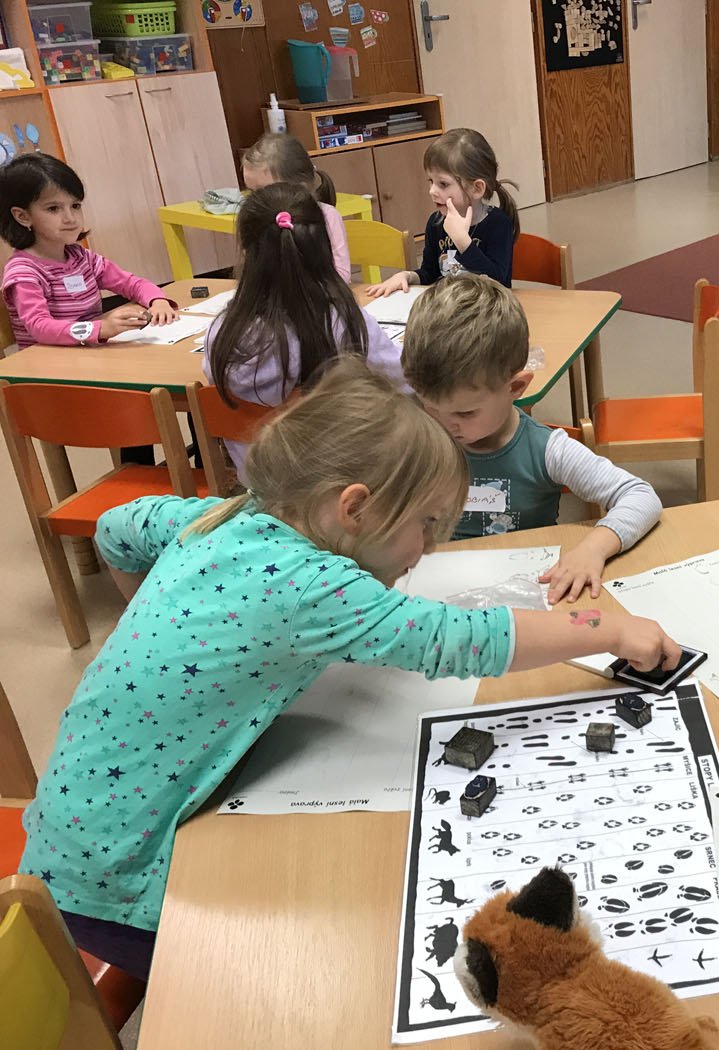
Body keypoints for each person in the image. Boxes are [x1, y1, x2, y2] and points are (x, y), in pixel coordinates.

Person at [17, 361, 679, 982]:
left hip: (66, 831)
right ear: (354, 508)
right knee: (280, 984)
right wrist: (608, 630)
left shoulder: (218, 517)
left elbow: (116, 527)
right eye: (426, 525)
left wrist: (158, 622)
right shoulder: (308, 584)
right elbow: (459, 639)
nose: (428, 549)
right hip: (118, 879)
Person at [401, 273, 661, 603]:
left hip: (524, 594)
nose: (443, 425)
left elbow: (640, 496)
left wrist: (594, 548)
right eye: (430, 406)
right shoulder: (418, 436)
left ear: (516, 387)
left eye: (464, 414)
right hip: (436, 591)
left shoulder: (546, 450)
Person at [203, 182, 405, 476]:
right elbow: (404, 380)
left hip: (259, 485)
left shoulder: (222, 333)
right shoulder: (343, 322)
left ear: (246, 253)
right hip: (335, 487)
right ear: (323, 249)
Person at [0, 152, 178, 348]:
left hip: (89, 352)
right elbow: (40, 327)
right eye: (53, 209)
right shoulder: (23, 272)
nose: (70, 218)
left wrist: (157, 301)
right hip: (48, 361)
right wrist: (100, 329)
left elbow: (132, 284)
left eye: (75, 206)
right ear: (23, 217)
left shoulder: (82, 258)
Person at [365, 128, 517, 296]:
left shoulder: (498, 224)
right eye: (431, 181)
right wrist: (407, 276)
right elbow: (429, 273)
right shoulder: (436, 223)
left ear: (477, 188)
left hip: (488, 307)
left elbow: (497, 284)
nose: (432, 191)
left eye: (443, 184)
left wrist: (462, 241)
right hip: (450, 306)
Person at [241, 131, 351, 280]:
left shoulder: (328, 217)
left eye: (265, 192)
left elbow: (342, 275)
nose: (256, 201)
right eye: (252, 192)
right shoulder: (256, 219)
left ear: (300, 189)